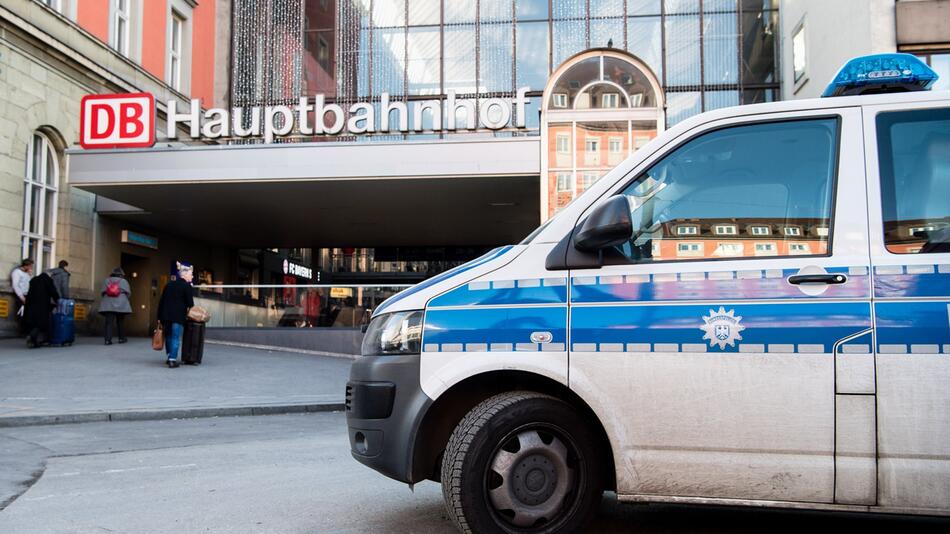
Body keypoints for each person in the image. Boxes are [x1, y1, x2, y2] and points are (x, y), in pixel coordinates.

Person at [157, 262, 195, 368]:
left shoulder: (168, 285)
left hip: (165, 316)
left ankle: (169, 356)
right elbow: (190, 304)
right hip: (178, 316)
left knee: (169, 336)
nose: (192, 276)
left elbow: (161, 301)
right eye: (191, 274)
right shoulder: (186, 286)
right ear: (184, 275)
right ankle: (172, 360)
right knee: (175, 337)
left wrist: (159, 317)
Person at [24, 271, 59, 348]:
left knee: (33, 321)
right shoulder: (48, 280)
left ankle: (34, 340)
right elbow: (53, 292)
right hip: (42, 304)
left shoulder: (33, 279)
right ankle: (32, 336)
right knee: (40, 322)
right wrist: (58, 300)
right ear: (49, 275)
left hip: (30, 303)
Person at [98, 267, 132, 345]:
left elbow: (102, 292)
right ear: (121, 274)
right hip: (121, 304)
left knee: (109, 322)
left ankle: (107, 340)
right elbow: (129, 293)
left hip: (108, 304)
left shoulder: (107, 280)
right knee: (120, 322)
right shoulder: (124, 281)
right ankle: (121, 338)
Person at [10, 259, 33, 335]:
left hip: (28, 294)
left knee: (28, 314)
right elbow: (15, 285)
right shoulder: (17, 272)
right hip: (21, 295)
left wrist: (30, 275)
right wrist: (21, 297)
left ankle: (26, 330)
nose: (31, 268)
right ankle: (21, 331)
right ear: (26, 265)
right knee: (22, 313)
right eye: (30, 266)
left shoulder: (27, 273)